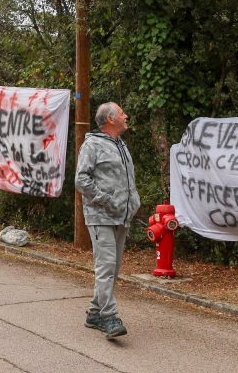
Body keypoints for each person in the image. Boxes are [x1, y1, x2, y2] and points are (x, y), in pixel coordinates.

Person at [75, 102, 141, 339]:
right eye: (122, 112)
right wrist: (106, 200)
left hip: (121, 216)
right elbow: (81, 180)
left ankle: (94, 313)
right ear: (111, 119)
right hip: (101, 216)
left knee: (112, 268)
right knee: (105, 267)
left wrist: (134, 202)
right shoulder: (92, 145)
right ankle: (110, 317)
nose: (126, 115)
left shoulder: (120, 144)